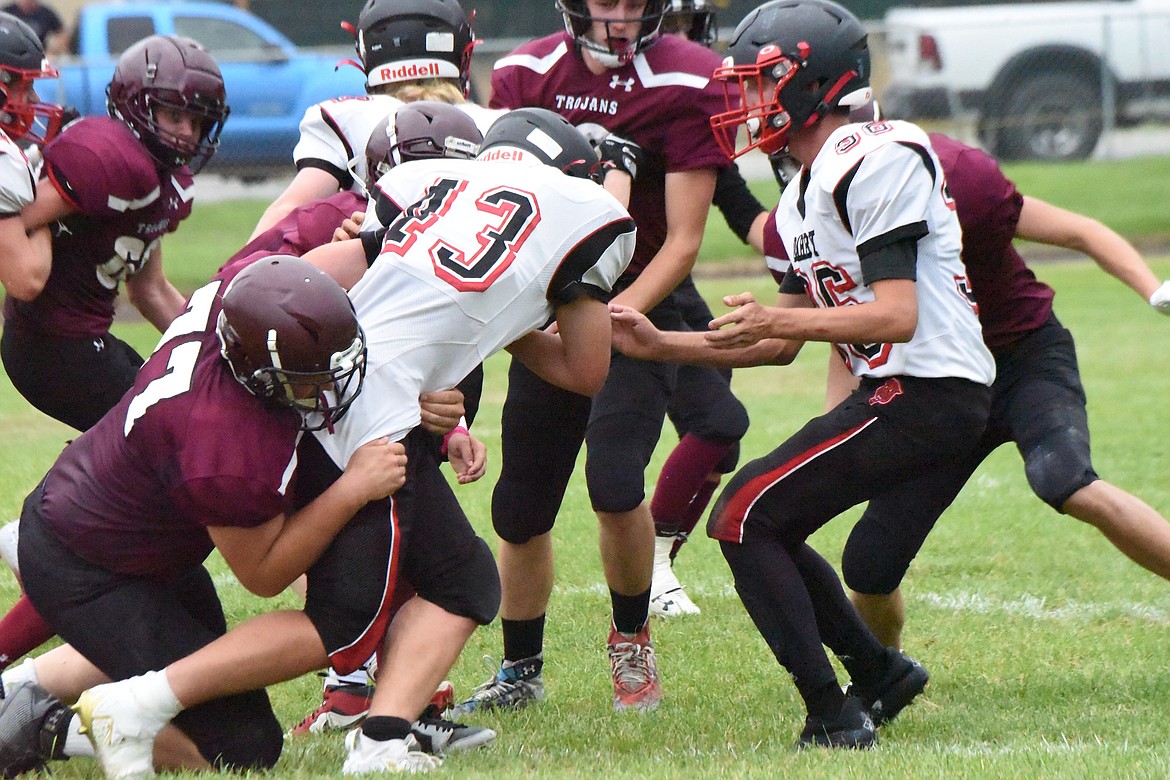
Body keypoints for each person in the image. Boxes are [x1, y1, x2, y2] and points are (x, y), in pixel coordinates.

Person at [0, 107, 637, 777]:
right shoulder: (233, 433)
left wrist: (422, 366)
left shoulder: (280, 267)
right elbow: (266, 571)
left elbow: (318, 281)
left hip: (139, 504)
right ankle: (133, 705)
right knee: (338, 623)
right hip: (138, 520)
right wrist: (367, 460)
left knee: (449, 584)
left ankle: (381, 733)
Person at [609, 0, 995, 747]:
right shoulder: (799, 193)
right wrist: (664, 344)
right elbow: (776, 342)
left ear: (813, 80)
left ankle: (834, 713)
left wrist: (779, 320)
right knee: (763, 519)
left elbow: (894, 315)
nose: (747, 103)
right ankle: (878, 673)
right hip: (898, 391)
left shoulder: (878, 155)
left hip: (930, 391)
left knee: (744, 516)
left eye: (762, 82)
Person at [0, 255, 400, 779]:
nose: (325, 388)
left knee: (184, 667)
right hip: (88, 566)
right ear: (259, 375)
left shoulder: (234, 301)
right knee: (242, 745)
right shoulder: (227, 448)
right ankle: (43, 728)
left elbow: (297, 264)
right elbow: (265, 575)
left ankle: (11, 692)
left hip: (125, 533)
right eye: (308, 379)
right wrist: (350, 491)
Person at [453, 0, 741, 716]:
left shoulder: (690, 78)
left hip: (638, 308)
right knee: (520, 507)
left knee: (615, 483)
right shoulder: (525, 72)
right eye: (604, 1)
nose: (619, 15)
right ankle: (520, 667)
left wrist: (621, 314)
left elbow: (681, 239)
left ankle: (631, 642)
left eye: (634, 2)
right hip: (548, 307)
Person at [839, 132, 1170, 649]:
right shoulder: (832, 208)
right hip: (942, 383)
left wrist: (1154, 289)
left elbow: (1080, 231)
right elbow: (845, 332)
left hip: (1023, 358)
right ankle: (884, 675)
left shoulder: (954, 181)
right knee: (869, 561)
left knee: (1066, 479)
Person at [0, 33, 229, 679]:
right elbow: (19, 234)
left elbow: (149, 288)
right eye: (172, 115)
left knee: (160, 509)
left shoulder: (160, 179)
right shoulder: (109, 158)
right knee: (155, 502)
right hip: (56, 350)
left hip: (89, 341)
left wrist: (212, 352)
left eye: (196, 119)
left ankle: (55, 548)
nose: (185, 133)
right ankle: (41, 540)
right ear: (135, 108)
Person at [647, 0, 771, 619]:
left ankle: (658, 557)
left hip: (675, 288)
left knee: (721, 449)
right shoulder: (629, 105)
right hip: (627, 287)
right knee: (719, 420)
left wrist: (819, 239)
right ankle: (651, 562)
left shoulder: (692, 107)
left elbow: (745, 212)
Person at [249, 0, 501, 240]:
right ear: (460, 51)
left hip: (375, 275)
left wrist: (234, 278)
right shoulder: (500, 124)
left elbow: (289, 210)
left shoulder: (347, 117)